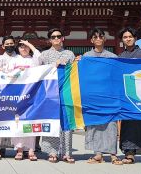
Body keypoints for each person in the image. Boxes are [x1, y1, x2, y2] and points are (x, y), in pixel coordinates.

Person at [83, 28, 123, 165]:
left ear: (105, 39)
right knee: (94, 125)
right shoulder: (86, 56)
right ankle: (97, 154)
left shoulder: (113, 57)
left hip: (109, 95)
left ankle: (113, 154)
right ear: (92, 40)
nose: (98, 39)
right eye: (95, 37)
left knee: (111, 125)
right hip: (93, 96)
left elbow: (117, 76)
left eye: (101, 36)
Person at [117, 27, 141, 166]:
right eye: (125, 37)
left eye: (130, 37)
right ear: (122, 40)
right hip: (128, 95)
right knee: (128, 125)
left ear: (135, 38)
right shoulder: (120, 58)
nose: (128, 39)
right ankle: (129, 153)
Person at [39, 28, 76, 163]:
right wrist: (54, 65)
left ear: (62, 38)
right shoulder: (44, 55)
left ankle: (67, 152)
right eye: (53, 37)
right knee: (52, 121)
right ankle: (52, 152)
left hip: (66, 91)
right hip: (50, 92)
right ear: (50, 40)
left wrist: (79, 62)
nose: (56, 39)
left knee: (67, 122)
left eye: (58, 36)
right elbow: (38, 71)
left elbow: (75, 72)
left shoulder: (69, 54)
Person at [8, 40, 41, 161]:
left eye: (26, 47)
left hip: (31, 94)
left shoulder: (34, 60)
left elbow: (39, 56)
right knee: (17, 122)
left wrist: (30, 45)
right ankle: (20, 149)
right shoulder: (14, 60)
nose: (24, 49)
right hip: (17, 94)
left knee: (31, 121)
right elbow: (8, 75)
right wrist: (18, 71)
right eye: (21, 46)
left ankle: (31, 149)